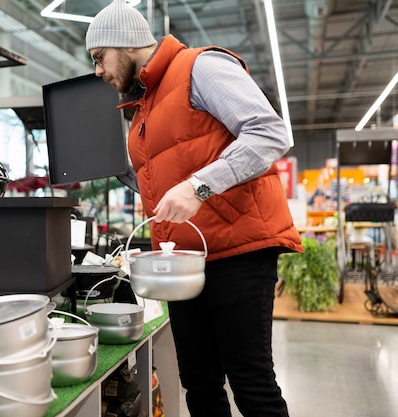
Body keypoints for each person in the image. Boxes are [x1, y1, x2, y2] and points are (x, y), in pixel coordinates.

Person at [85, 1, 304, 416]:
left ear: (125, 44)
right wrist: (117, 170)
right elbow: (173, 174)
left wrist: (198, 186)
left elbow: (269, 133)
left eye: (99, 58)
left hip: (238, 251)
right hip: (186, 264)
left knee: (251, 381)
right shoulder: (143, 105)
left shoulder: (199, 67)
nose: (98, 71)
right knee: (199, 383)